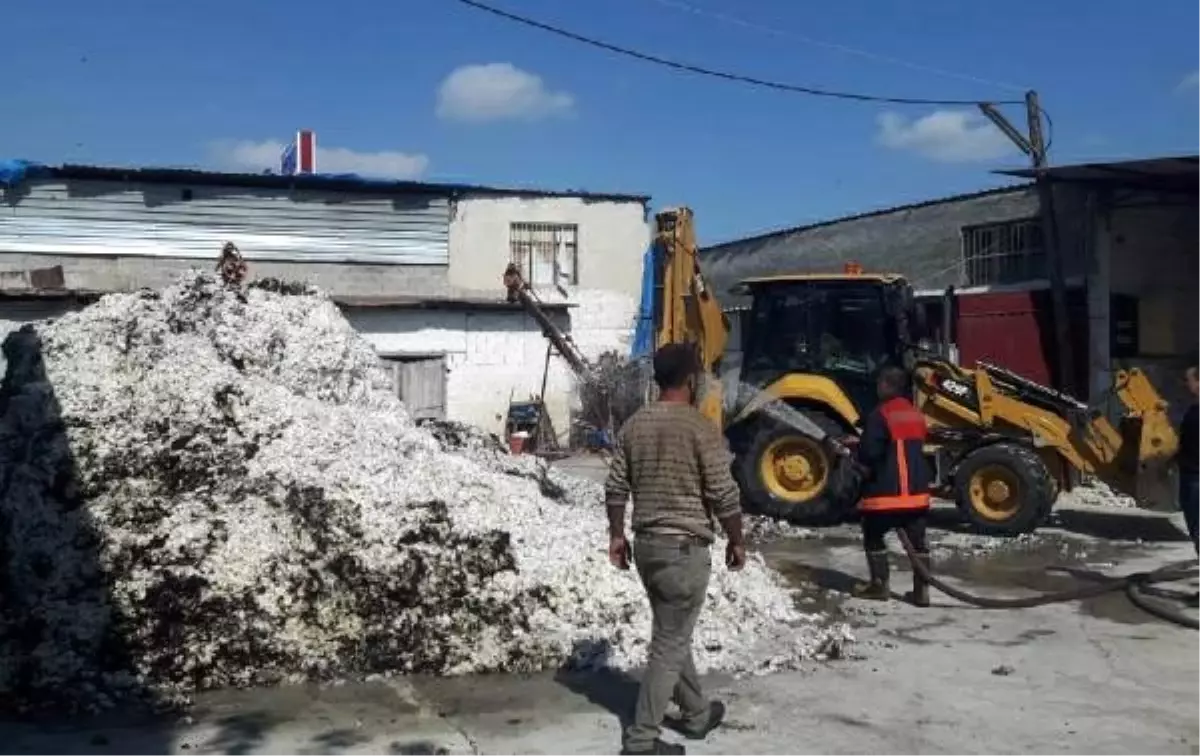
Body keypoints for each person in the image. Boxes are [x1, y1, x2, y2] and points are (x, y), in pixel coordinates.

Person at [605, 343, 746, 756]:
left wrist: (616, 536)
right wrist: (737, 538)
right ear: (691, 380)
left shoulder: (634, 425)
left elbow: (616, 488)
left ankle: (698, 714)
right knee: (669, 643)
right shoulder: (701, 428)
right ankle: (641, 741)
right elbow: (723, 492)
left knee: (671, 633)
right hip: (683, 551)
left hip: (647, 550)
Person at [851, 364, 934, 606]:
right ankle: (921, 592)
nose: (877, 388)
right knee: (918, 542)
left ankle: (879, 586)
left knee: (873, 535)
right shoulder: (915, 414)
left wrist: (856, 450)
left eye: (879, 384)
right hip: (917, 495)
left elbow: (870, 453)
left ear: (887, 386)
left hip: (886, 494)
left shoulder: (880, 414)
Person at [1177, 362, 1200, 558]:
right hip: (1189, 475)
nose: (1185, 384)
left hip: (1196, 478)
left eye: (1189, 380)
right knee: (1196, 532)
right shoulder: (1193, 410)